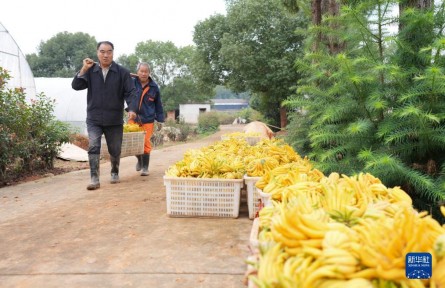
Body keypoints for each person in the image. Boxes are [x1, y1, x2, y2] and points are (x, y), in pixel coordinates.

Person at [72, 41, 137, 190]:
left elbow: (131, 92)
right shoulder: (91, 71)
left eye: (109, 52)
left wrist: (132, 109)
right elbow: (76, 86)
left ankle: (114, 171)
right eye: (102, 52)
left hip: (114, 119)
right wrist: (83, 69)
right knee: (94, 145)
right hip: (94, 118)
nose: (105, 55)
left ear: (113, 53)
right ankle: (94, 178)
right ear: (97, 53)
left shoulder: (122, 72)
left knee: (115, 149)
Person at [129, 62, 165, 176]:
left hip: (148, 119)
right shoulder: (131, 83)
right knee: (132, 142)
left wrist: (160, 120)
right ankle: (139, 159)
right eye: (141, 71)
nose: (143, 74)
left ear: (149, 73)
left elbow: (158, 104)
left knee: (145, 143)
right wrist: (129, 110)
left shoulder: (154, 87)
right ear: (137, 72)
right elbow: (125, 97)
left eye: (146, 71)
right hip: (133, 118)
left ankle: (145, 167)